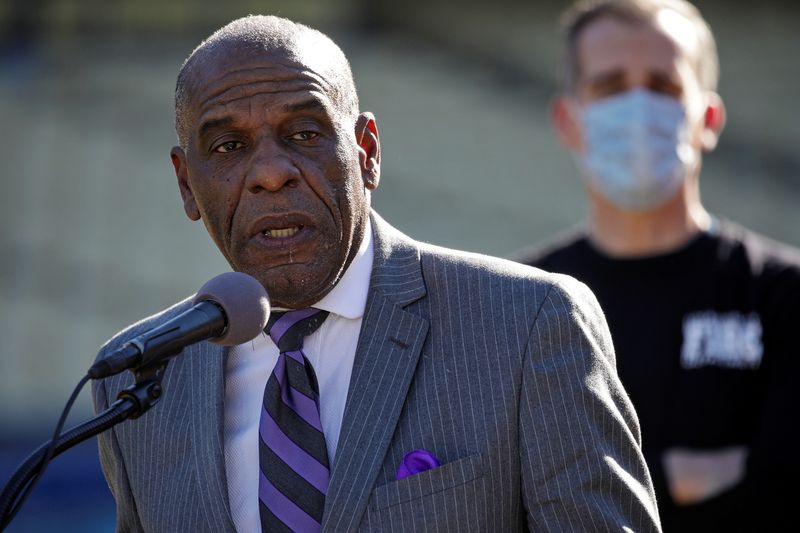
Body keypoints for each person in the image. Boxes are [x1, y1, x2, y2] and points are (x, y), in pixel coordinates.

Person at [92, 15, 661, 532]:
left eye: (304, 134)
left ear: (366, 152)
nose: (269, 172)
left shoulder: (528, 325)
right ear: (187, 183)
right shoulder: (137, 377)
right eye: (228, 145)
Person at [515, 0, 800, 531]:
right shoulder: (515, 304)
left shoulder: (784, 294)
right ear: (567, 121)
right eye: (611, 86)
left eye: (664, 87)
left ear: (708, 119)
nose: (638, 107)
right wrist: (699, 474)